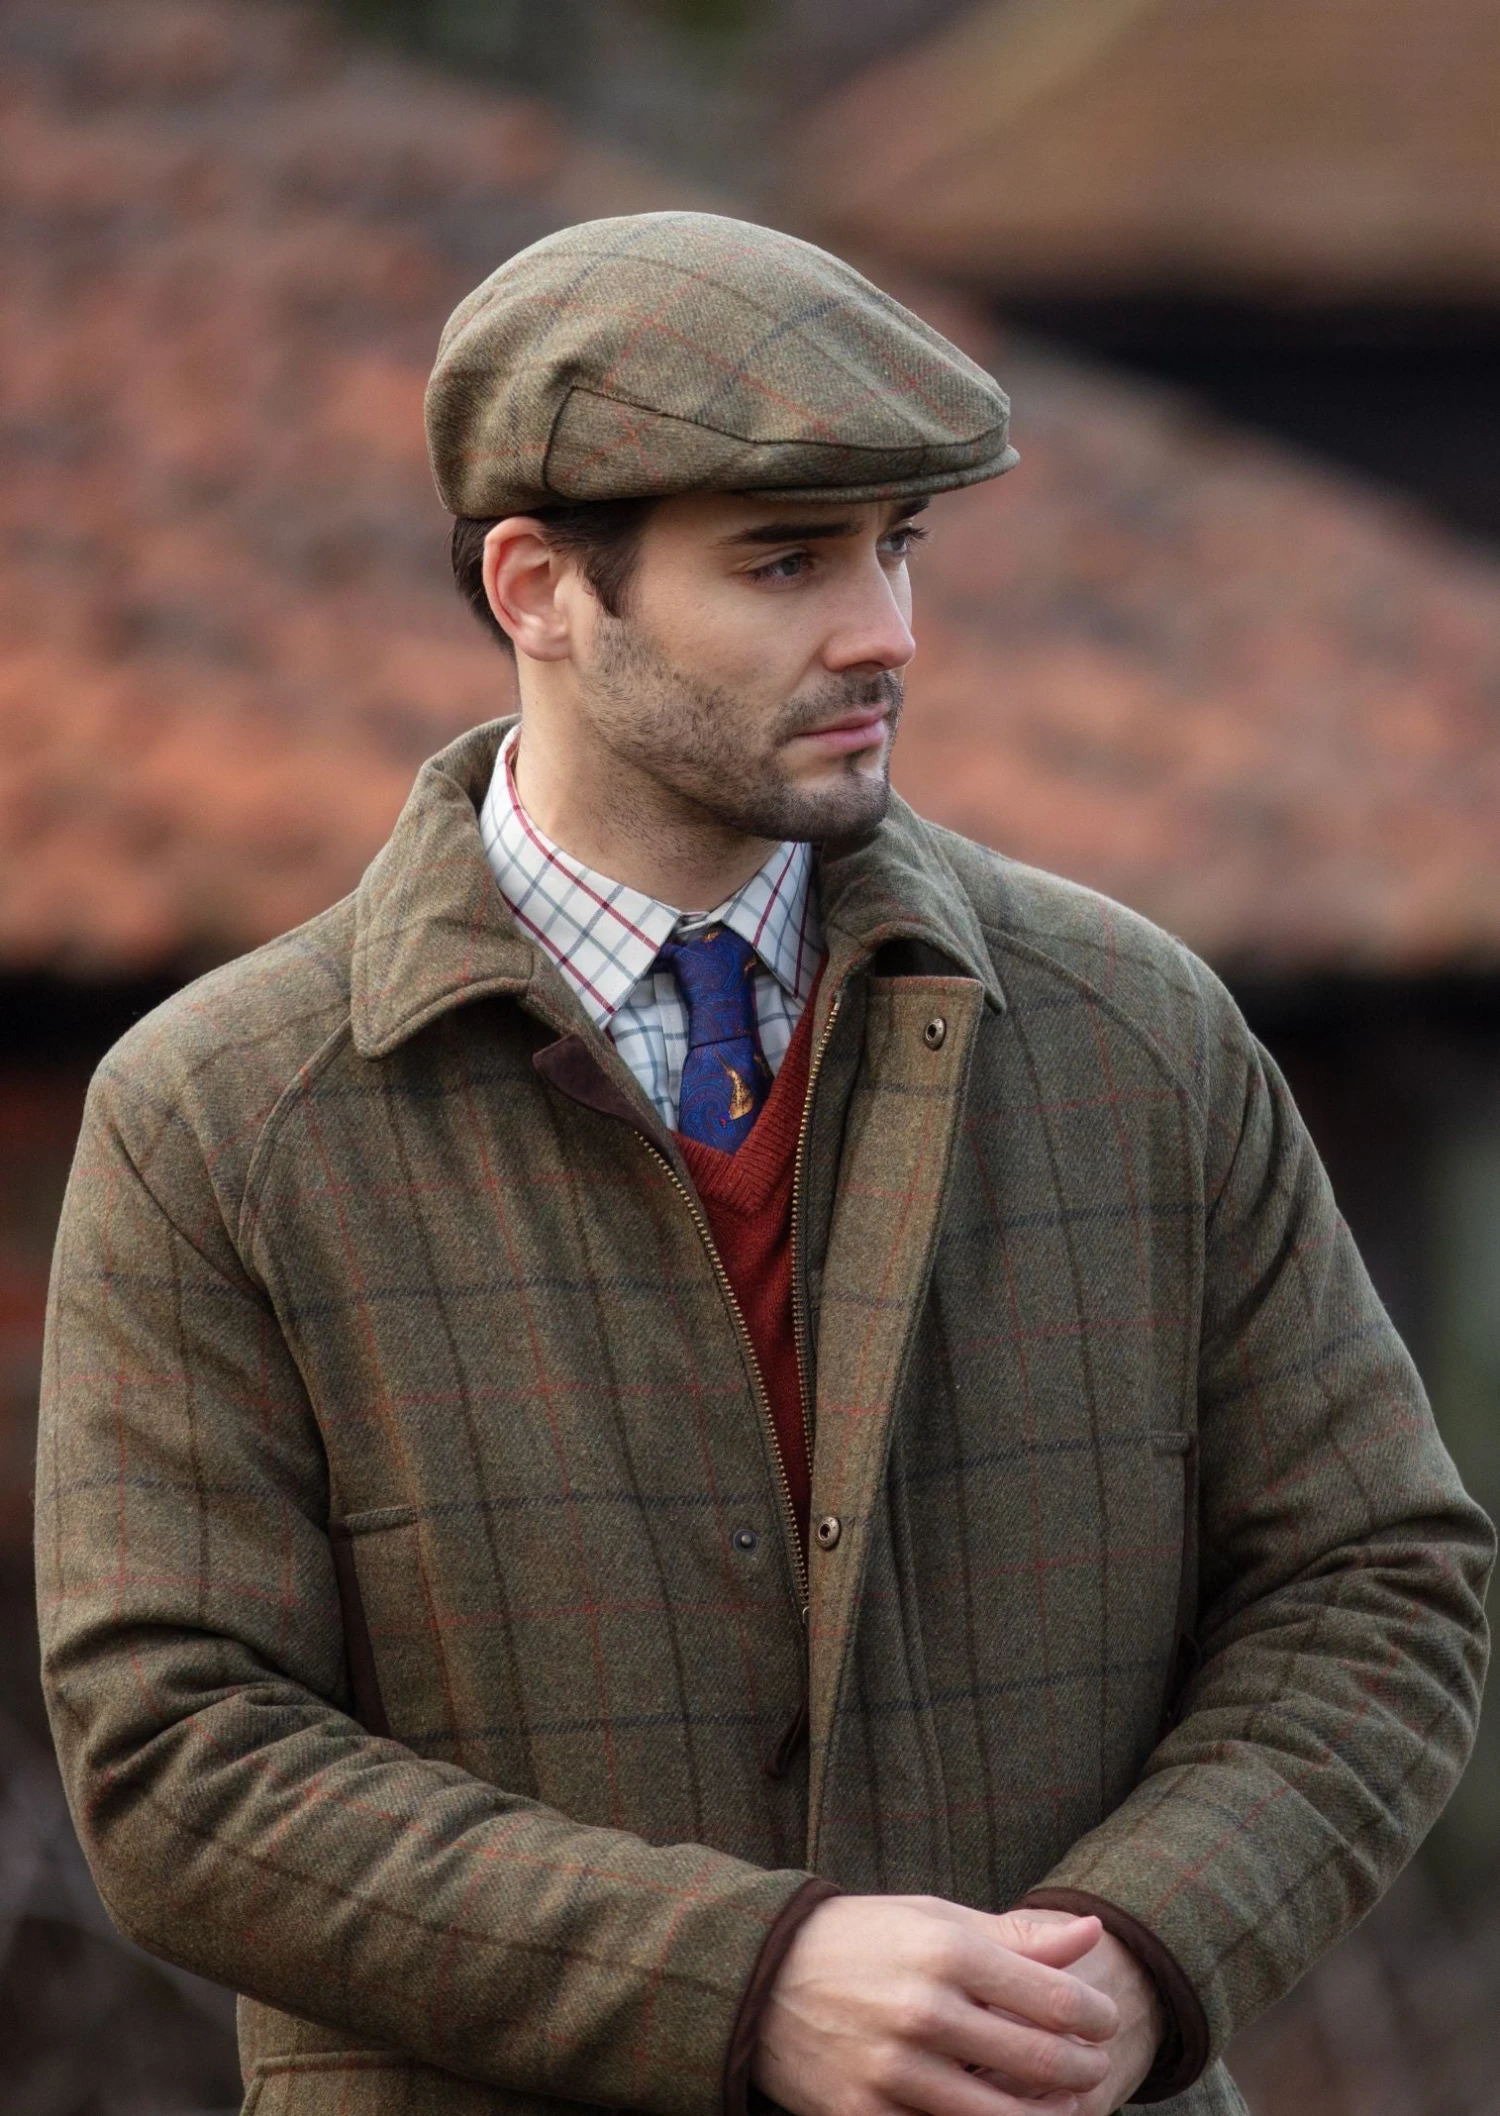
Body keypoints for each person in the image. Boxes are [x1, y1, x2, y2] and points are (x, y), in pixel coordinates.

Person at [37, 213, 1491, 2116]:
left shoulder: (1141, 1034)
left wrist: (1136, 1957)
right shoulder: (219, 1115)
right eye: (787, 560)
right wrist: (743, 1982)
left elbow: (1376, 1585)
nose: (885, 630)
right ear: (541, 588)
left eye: (901, 546)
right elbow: (176, 1760)